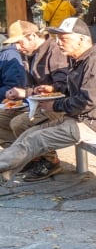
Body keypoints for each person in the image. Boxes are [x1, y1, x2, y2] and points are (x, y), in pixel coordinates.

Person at [0, 17, 96, 181]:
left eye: (63, 38)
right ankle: (7, 171)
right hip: (78, 119)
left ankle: (9, 168)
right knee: (29, 134)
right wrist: (47, 93)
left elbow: (86, 102)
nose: (59, 43)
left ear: (81, 39)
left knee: (35, 138)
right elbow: (71, 93)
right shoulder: (80, 60)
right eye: (57, 38)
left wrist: (54, 105)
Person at [0, 21, 69, 181]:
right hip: (37, 104)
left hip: (57, 107)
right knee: (2, 117)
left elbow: (61, 86)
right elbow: (31, 88)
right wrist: (21, 95)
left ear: (32, 36)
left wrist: (30, 92)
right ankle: (26, 157)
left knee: (20, 123)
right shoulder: (30, 54)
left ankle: (50, 161)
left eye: (19, 41)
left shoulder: (54, 51)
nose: (18, 46)